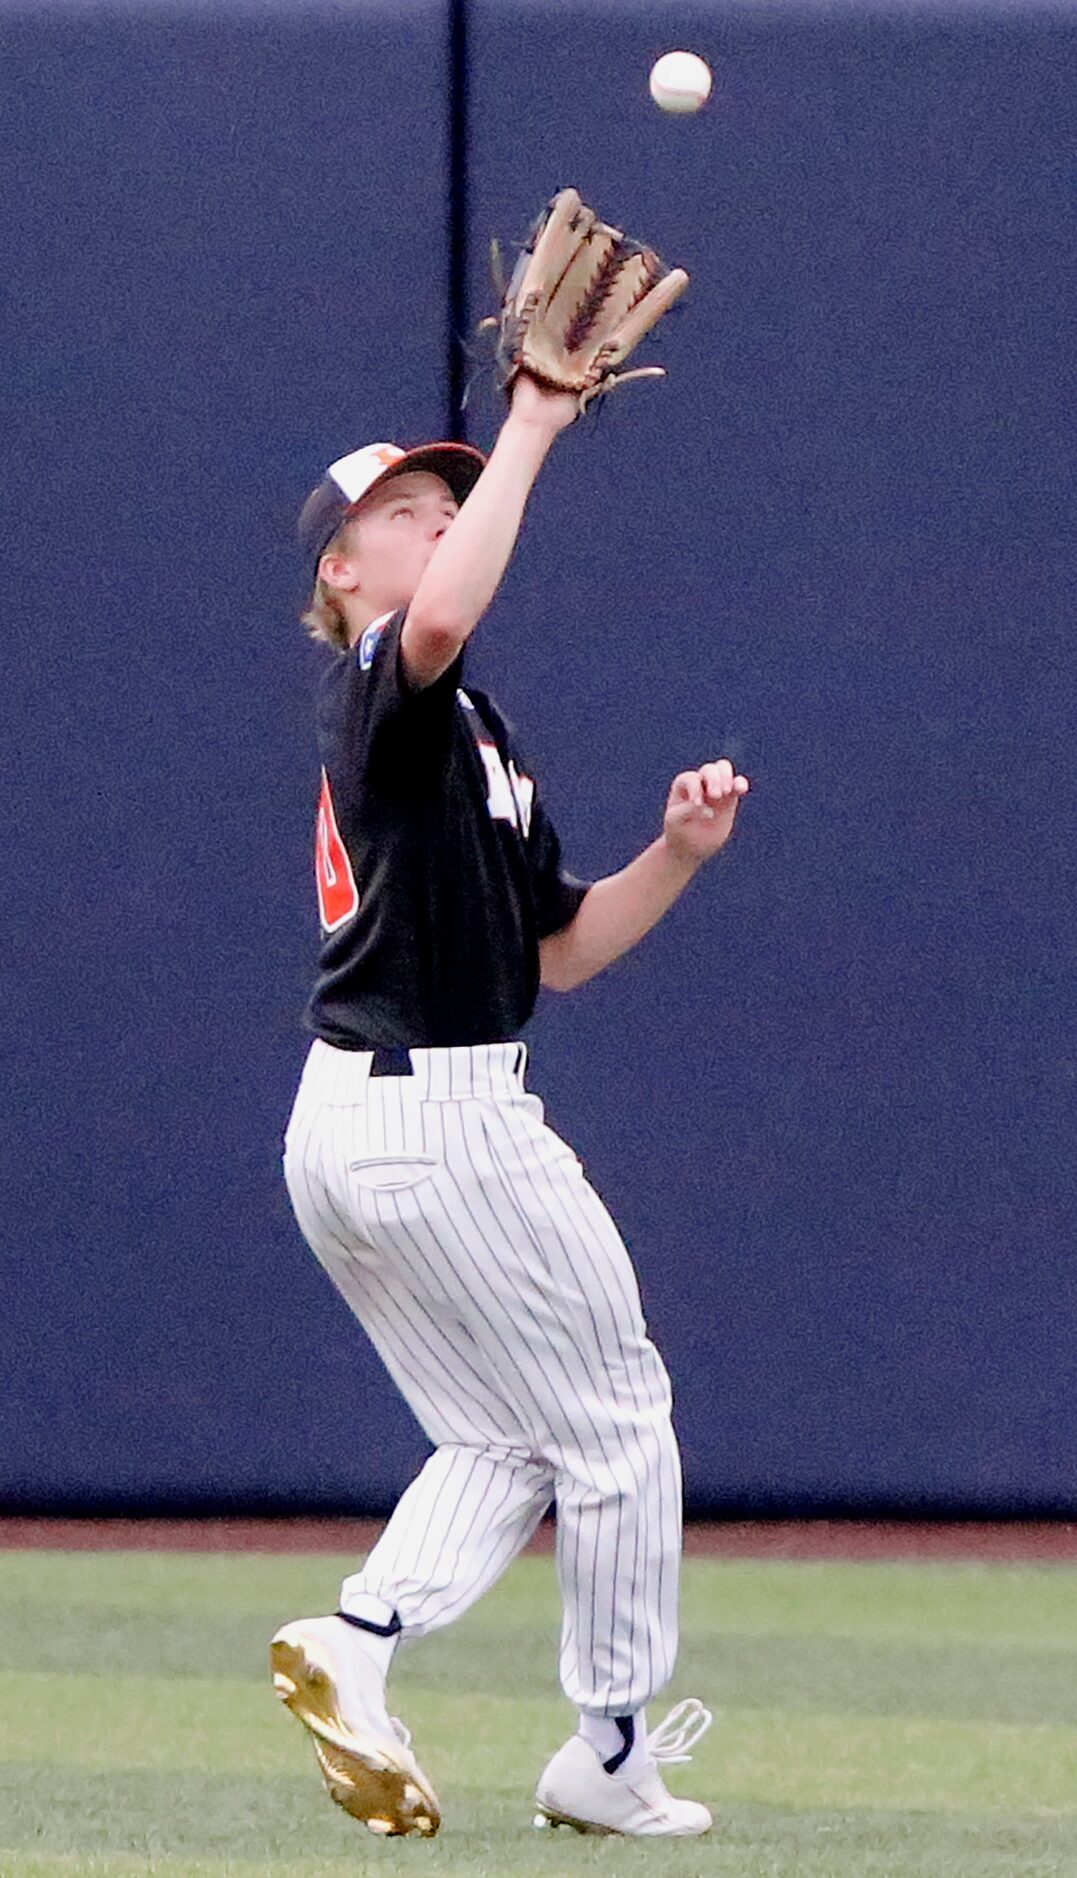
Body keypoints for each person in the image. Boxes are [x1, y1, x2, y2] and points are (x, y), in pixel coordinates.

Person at [272, 372, 750, 1840]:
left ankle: (355, 1642)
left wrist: (673, 854)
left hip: (360, 1123)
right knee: (616, 1417)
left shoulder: (468, 731)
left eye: (445, 506)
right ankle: (606, 1751)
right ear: (337, 571)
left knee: (504, 1436)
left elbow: (563, 951)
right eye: (403, 514)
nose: (435, 524)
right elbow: (431, 623)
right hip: (444, 1121)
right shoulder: (381, 676)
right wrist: (531, 423)